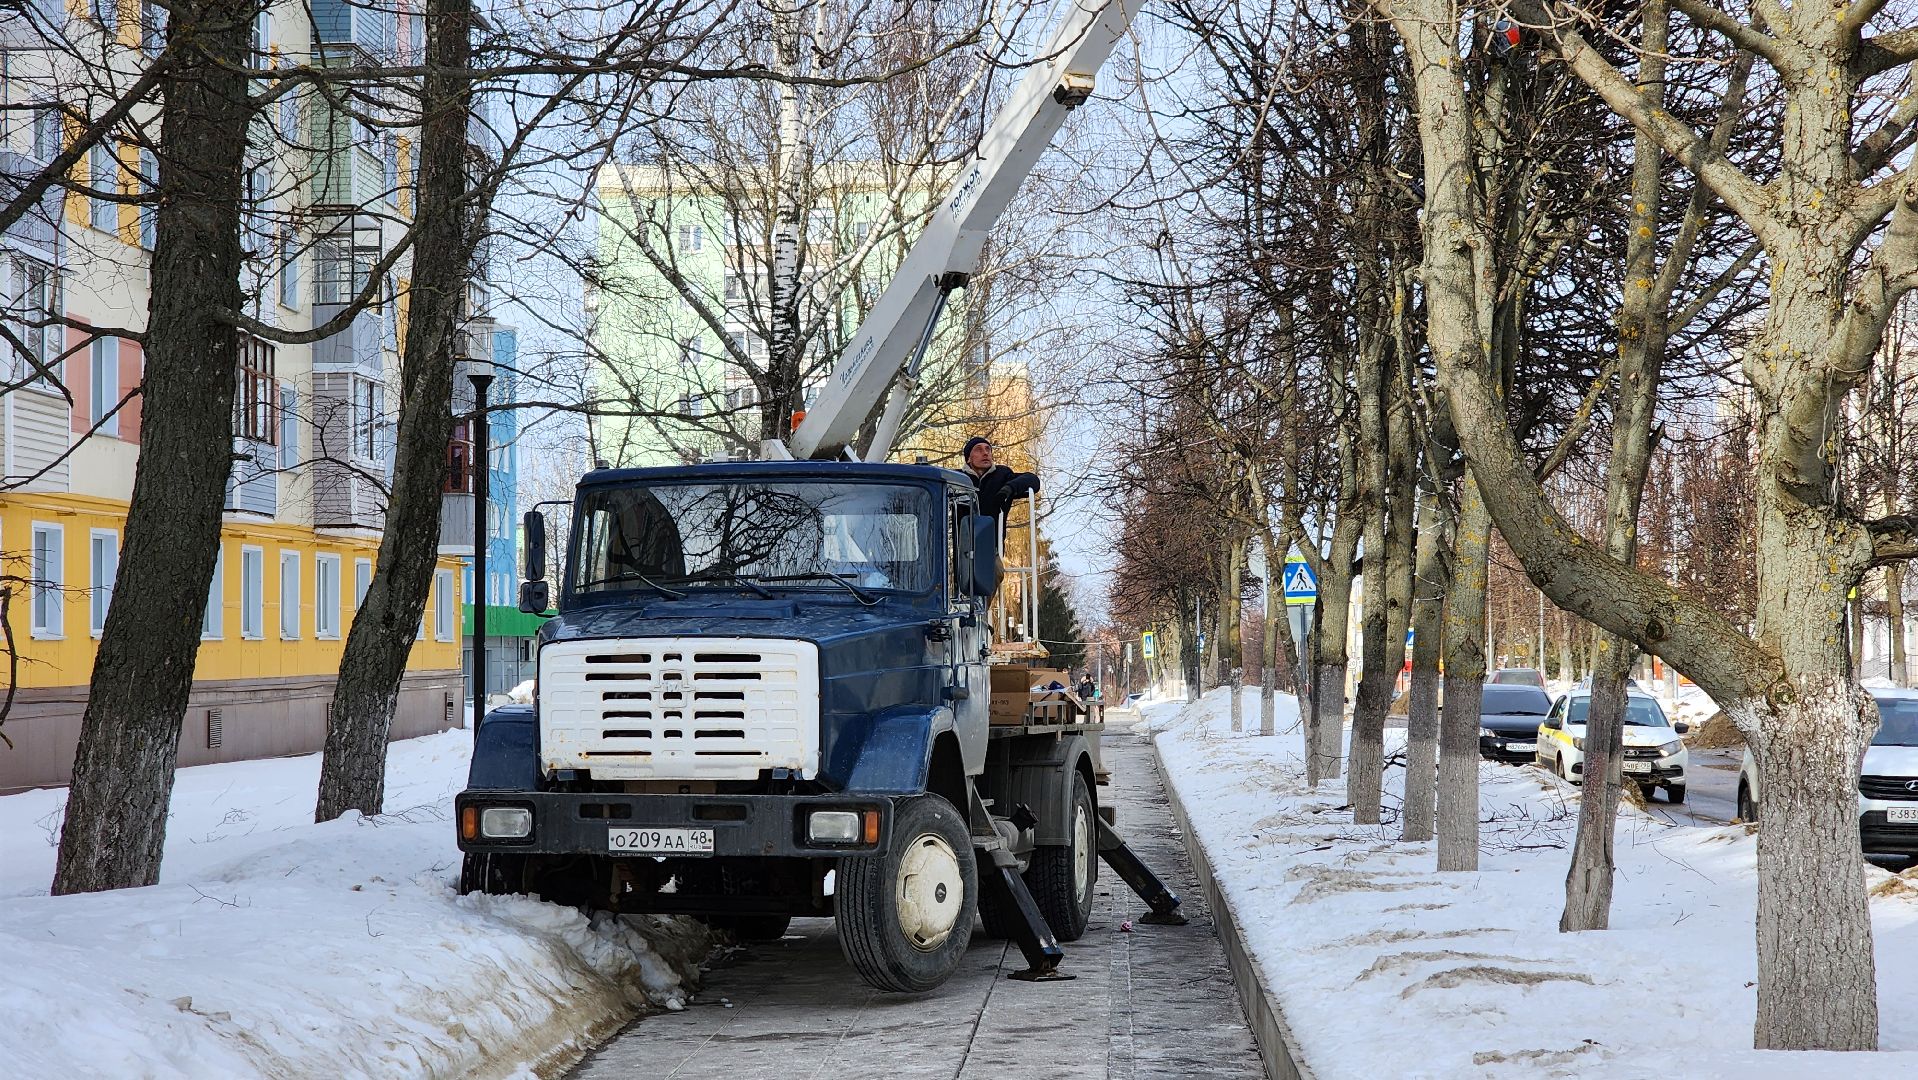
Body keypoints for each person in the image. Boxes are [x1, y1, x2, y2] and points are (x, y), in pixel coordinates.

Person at [961, 436, 1040, 517]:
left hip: (995, 525)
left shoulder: (1002, 474)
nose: (985, 453)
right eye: (978, 449)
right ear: (968, 458)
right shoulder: (956, 477)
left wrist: (1009, 489)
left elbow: (1033, 480)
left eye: (988, 449)